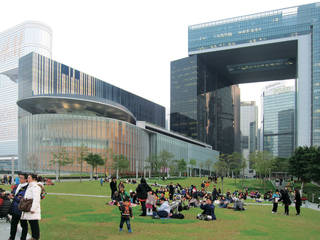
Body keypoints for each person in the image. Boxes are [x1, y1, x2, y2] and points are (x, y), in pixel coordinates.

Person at [20, 174, 42, 240]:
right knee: (32, 224)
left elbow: (36, 199)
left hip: (32, 209)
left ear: (34, 179)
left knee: (34, 224)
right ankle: (34, 237)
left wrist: (33, 209)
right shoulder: (30, 186)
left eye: (29, 178)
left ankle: (35, 237)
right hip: (28, 208)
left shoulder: (36, 187)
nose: (28, 179)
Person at [8, 173, 29, 240]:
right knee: (13, 224)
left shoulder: (27, 188)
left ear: (26, 179)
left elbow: (22, 199)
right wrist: (11, 195)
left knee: (24, 225)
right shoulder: (18, 186)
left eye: (21, 178)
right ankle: (11, 238)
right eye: (19, 177)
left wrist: (14, 197)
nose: (19, 179)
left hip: (22, 209)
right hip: (15, 208)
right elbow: (14, 193)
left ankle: (23, 238)